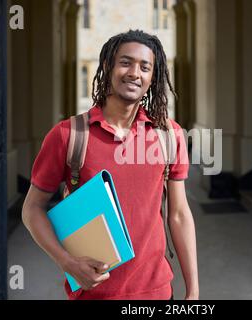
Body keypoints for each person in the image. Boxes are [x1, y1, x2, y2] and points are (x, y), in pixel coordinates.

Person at [22, 30, 199, 300]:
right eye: (125, 62)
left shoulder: (169, 136)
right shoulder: (68, 135)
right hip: (92, 294)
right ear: (108, 66)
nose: (134, 73)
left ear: (153, 78)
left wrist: (193, 291)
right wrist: (67, 263)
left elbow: (179, 215)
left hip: (157, 292)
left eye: (145, 67)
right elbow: (32, 208)